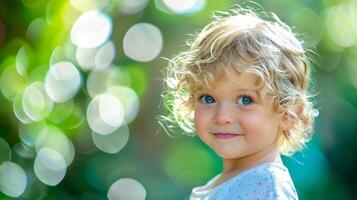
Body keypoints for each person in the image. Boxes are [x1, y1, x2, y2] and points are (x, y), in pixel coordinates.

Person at [161, 4, 318, 200]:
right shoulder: (226, 184)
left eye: (245, 100)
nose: (222, 117)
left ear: (289, 113)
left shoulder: (267, 187)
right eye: (208, 98)